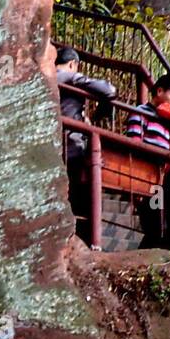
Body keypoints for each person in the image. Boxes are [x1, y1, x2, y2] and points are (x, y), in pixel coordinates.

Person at [55, 46, 117, 244]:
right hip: (71, 147)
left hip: (56, 145)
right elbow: (109, 90)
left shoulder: (45, 77)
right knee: (80, 198)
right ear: (73, 64)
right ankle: (87, 243)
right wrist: (99, 115)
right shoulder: (68, 76)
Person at [125, 73, 170, 249]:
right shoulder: (141, 112)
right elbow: (134, 144)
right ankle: (148, 256)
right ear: (159, 91)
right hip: (146, 178)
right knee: (153, 221)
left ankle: (155, 252)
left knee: (161, 220)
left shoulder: (167, 123)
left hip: (158, 179)